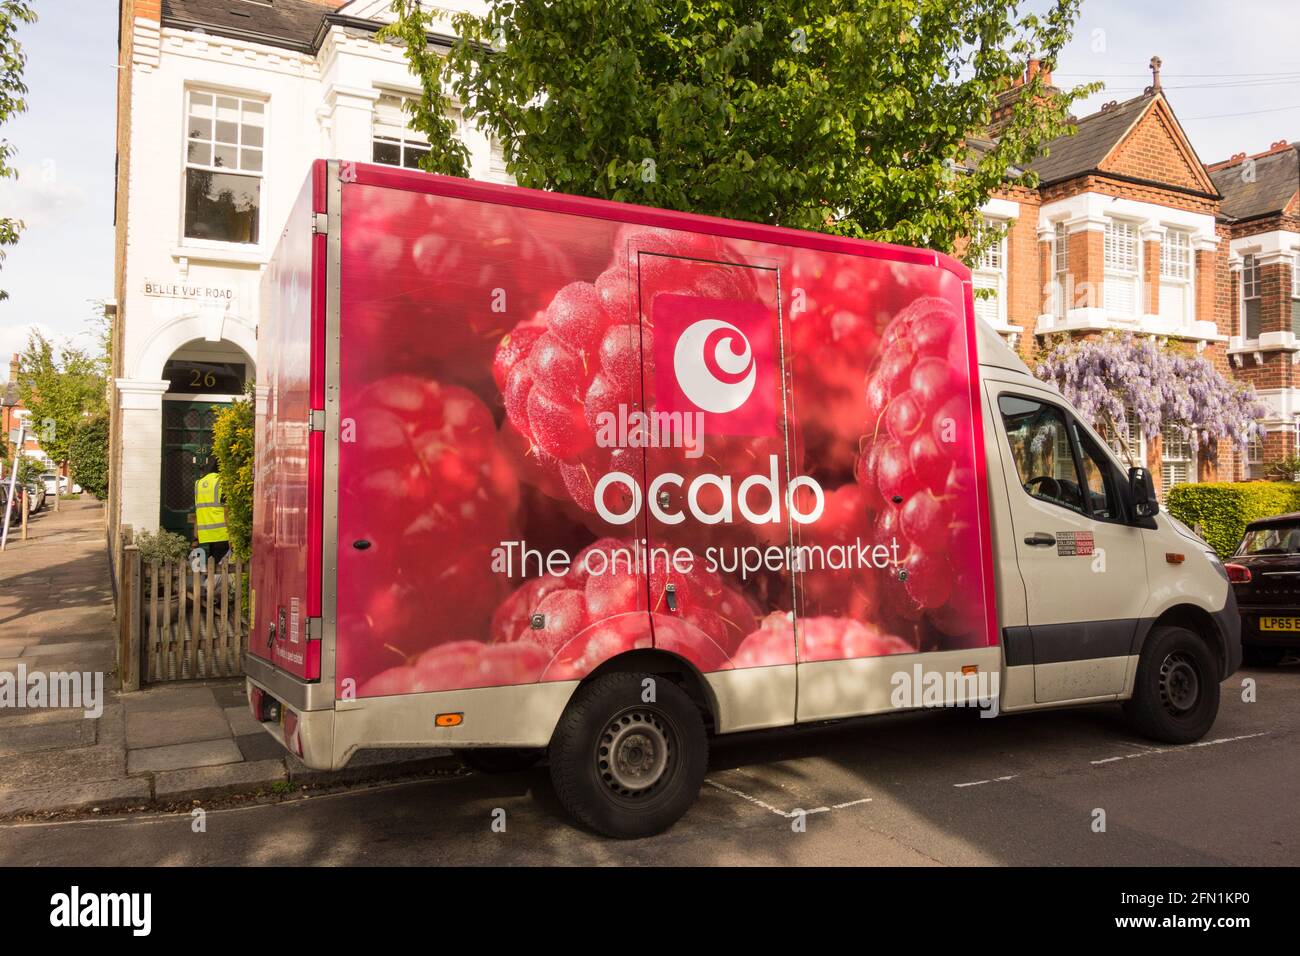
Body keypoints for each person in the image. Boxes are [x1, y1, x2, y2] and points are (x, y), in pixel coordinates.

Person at [194, 456, 230, 564]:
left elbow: (197, 511)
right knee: (222, 570)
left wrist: (195, 537)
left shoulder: (198, 483)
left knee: (208, 569)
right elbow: (227, 510)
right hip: (221, 534)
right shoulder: (223, 481)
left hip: (204, 535)